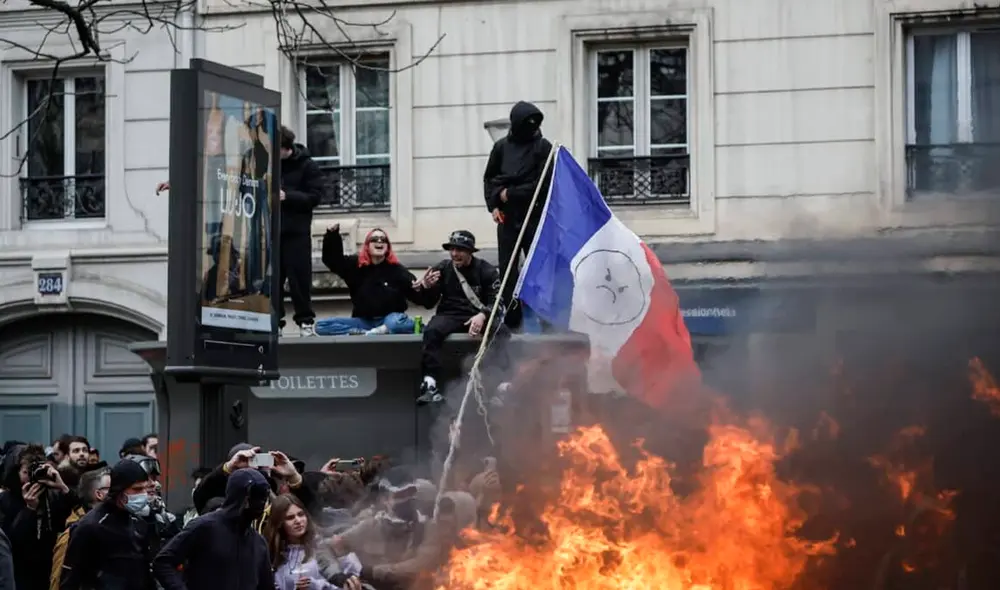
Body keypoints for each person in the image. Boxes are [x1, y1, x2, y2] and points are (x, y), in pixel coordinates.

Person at [483, 101, 554, 332]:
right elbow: (490, 178)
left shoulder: (543, 147)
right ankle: (512, 316)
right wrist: (493, 204)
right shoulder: (501, 147)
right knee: (508, 268)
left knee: (539, 266)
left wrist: (509, 193)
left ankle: (546, 315)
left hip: (534, 216)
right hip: (507, 217)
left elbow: (543, 184)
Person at [411, 230, 500, 405]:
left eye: (460, 250)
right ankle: (430, 383)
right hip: (449, 315)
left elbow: (498, 303)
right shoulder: (443, 268)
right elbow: (428, 303)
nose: (454, 254)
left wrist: (483, 315)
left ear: (470, 251)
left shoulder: (487, 271)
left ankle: (500, 385)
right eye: (452, 249)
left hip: (477, 315)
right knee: (432, 331)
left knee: (500, 331)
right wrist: (427, 288)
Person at [152, 468, 274, 590]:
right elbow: (163, 562)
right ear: (243, 498)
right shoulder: (204, 527)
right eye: (257, 498)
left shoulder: (259, 544)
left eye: (264, 499)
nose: (261, 504)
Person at [316, 225, 432, 335]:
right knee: (321, 326)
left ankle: (382, 330)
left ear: (387, 247)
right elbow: (333, 261)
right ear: (367, 245)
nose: (380, 241)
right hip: (364, 322)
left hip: (389, 321)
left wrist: (425, 287)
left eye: (383, 239)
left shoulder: (397, 271)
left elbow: (423, 301)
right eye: (375, 239)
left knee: (396, 322)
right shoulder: (356, 266)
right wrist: (332, 235)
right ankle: (362, 333)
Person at [59, 460, 154, 590]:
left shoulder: (138, 523)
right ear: (119, 490)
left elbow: (144, 575)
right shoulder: (90, 526)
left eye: (145, 488)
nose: (143, 494)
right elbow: (71, 578)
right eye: (137, 489)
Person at [0, 443, 72, 590]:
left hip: (49, 572)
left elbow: (79, 517)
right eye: (27, 472)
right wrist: (29, 509)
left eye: (38, 470)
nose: (33, 477)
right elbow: (9, 541)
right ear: (16, 472)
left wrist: (63, 488)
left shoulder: (53, 496)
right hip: (19, 573)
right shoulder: (5, 500)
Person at [278, 126, 325, 336]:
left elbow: (315, 197)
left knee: (299, 279)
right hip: (270, 232)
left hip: (296, 231)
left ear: (285, 147)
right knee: (271, 281)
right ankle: (273, 323)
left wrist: (288, 196)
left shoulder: (307, 166)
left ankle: (305, 321)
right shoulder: (265, 164)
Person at [265, 494, 363, 590]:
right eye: (290, 518)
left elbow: (348, 581)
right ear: (279, 523)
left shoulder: (319, 546)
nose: (298, 521)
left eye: (300, 514)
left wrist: (315, 585)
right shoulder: (273, 555)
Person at [50, 466, 110, 590]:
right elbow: (58, 580)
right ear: (99, 494)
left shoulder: (113, 526)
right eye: (111, 488)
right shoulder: (72, 534)